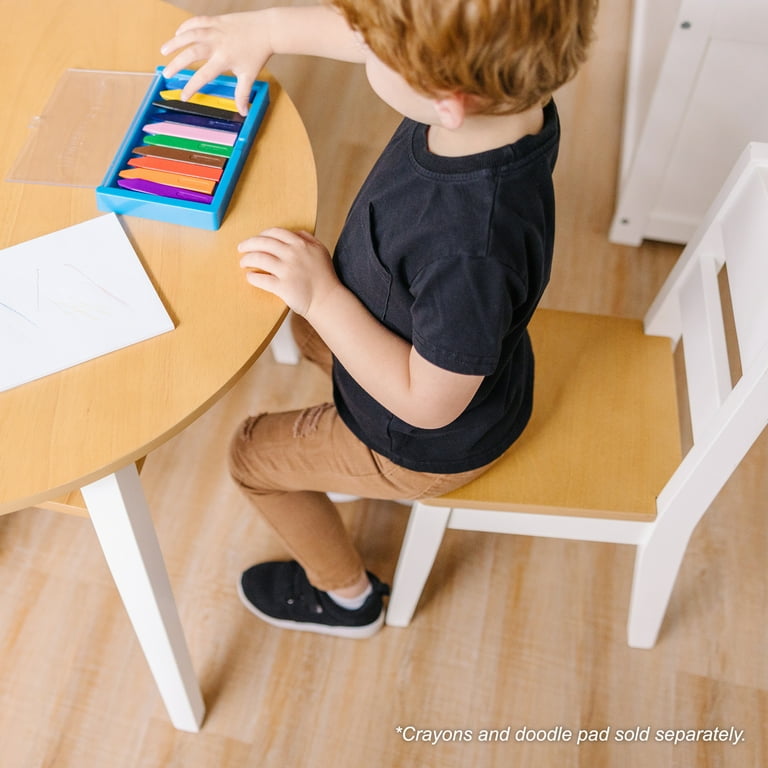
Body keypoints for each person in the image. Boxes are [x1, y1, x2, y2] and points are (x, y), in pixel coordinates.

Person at [160, 0, 597, 638]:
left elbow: (429, 403)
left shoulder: (469, 248)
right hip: (415, 336)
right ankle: (338, 450)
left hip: (421, 439)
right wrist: (268, 29)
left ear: (447, 97)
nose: (362, 43)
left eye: (377, 46)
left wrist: (326, 297)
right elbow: (383, 40)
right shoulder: (510, 103)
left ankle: (345, 598)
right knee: (308, 328)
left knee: (253, 456)